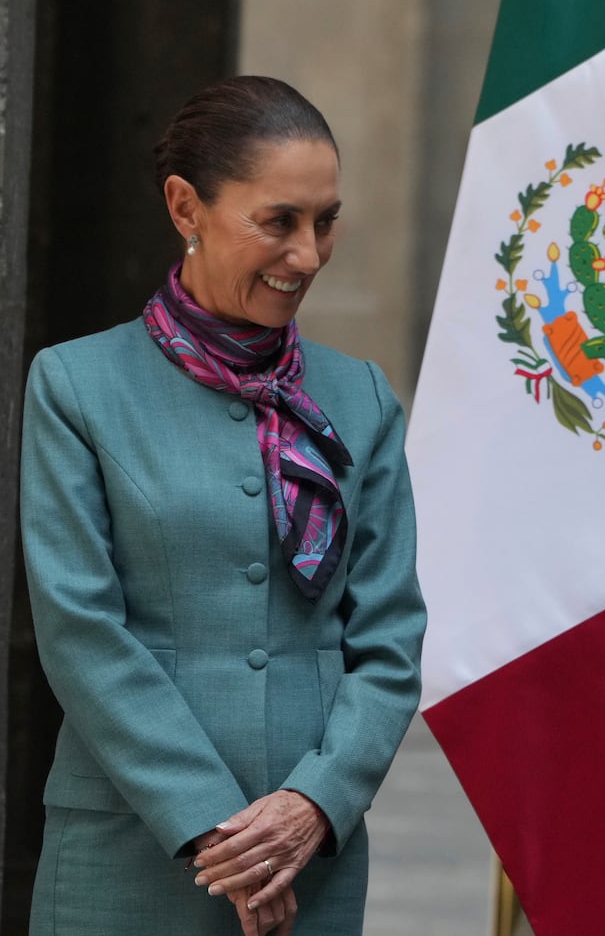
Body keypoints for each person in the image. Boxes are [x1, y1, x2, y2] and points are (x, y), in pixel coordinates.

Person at [21, 76, 427, 935]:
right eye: (278, 220)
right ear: (185, 207)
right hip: (129, 857)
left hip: (309, 859)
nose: (309, 254)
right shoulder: (77, 385)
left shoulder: (362, 399)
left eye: (325, 220)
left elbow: (388, 642)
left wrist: (315, 804)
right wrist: (220, 830)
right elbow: (81, 631)